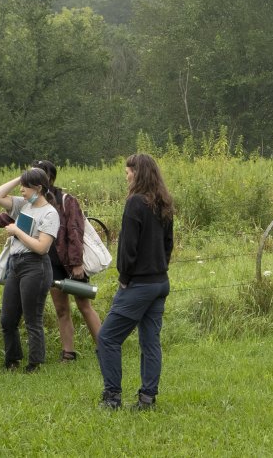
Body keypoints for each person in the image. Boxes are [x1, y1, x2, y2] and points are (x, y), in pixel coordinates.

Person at [0, 159, 102, 360]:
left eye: (36, 175)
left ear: (47, 179)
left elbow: (75, 231)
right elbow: (6, 218)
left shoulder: (64, 200)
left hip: (68, 261)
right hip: (48, 262)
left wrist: (76, 262)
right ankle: (68, 353)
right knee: (61, 308)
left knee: (84, 304)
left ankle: (104, 347)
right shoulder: (27, 203)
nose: (24, 185)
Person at [98, 153, 175, 411]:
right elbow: (168, 245)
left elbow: (127, 247)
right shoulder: (163, 202)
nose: (126, 175)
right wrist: (159, 268)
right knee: (150, 341)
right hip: (159, 282)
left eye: (128, 171)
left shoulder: (135, 203)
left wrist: (124, 277)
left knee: (107, 337)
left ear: (138, 172)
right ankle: (147, 399)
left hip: (139, 284)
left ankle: (112, 398)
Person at [0, 167, 60, 372]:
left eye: (25, 186)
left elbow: (41, 247)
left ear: (38, 188)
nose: (21, 190)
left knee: (32, 318)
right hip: (15, 264)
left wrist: (17, 231)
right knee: (7, 318)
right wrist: (22, 177)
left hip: (35, 267)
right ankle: (12, 360)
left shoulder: (49, 213)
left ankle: (35, 364)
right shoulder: (23, 206)